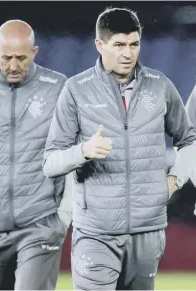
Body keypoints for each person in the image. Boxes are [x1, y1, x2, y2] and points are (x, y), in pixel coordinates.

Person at [43, 7, 196, 290]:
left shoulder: (160, 86)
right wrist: (83, 151)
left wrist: (174, 181)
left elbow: (188, 140)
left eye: (134, 44)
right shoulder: (76, 90)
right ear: (99, 45)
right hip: (95, 233)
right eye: (119, 45)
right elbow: (50, 162)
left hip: (148, 232)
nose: (128, 54)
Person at [0, 19, 71, 290]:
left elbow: (72, 156)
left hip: (40, 224)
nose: (13, 65)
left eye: (21, 57)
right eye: (6, 58)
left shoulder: (58, 88)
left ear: (35, 52)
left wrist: (63, 217)